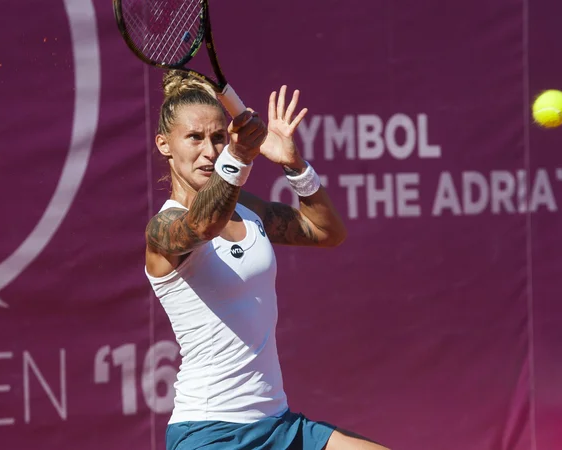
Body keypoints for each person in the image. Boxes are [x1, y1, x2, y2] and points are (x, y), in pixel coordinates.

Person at [144, 70, 390, 450]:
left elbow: (327, 232)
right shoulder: (163, 229)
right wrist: (239, 156)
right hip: (210, 433)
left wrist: (295, 165)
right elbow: (203, 226)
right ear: (165, 145)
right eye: (194, 137)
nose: (209, 151)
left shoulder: (246, 209)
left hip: (279, 425)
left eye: (218, 138)